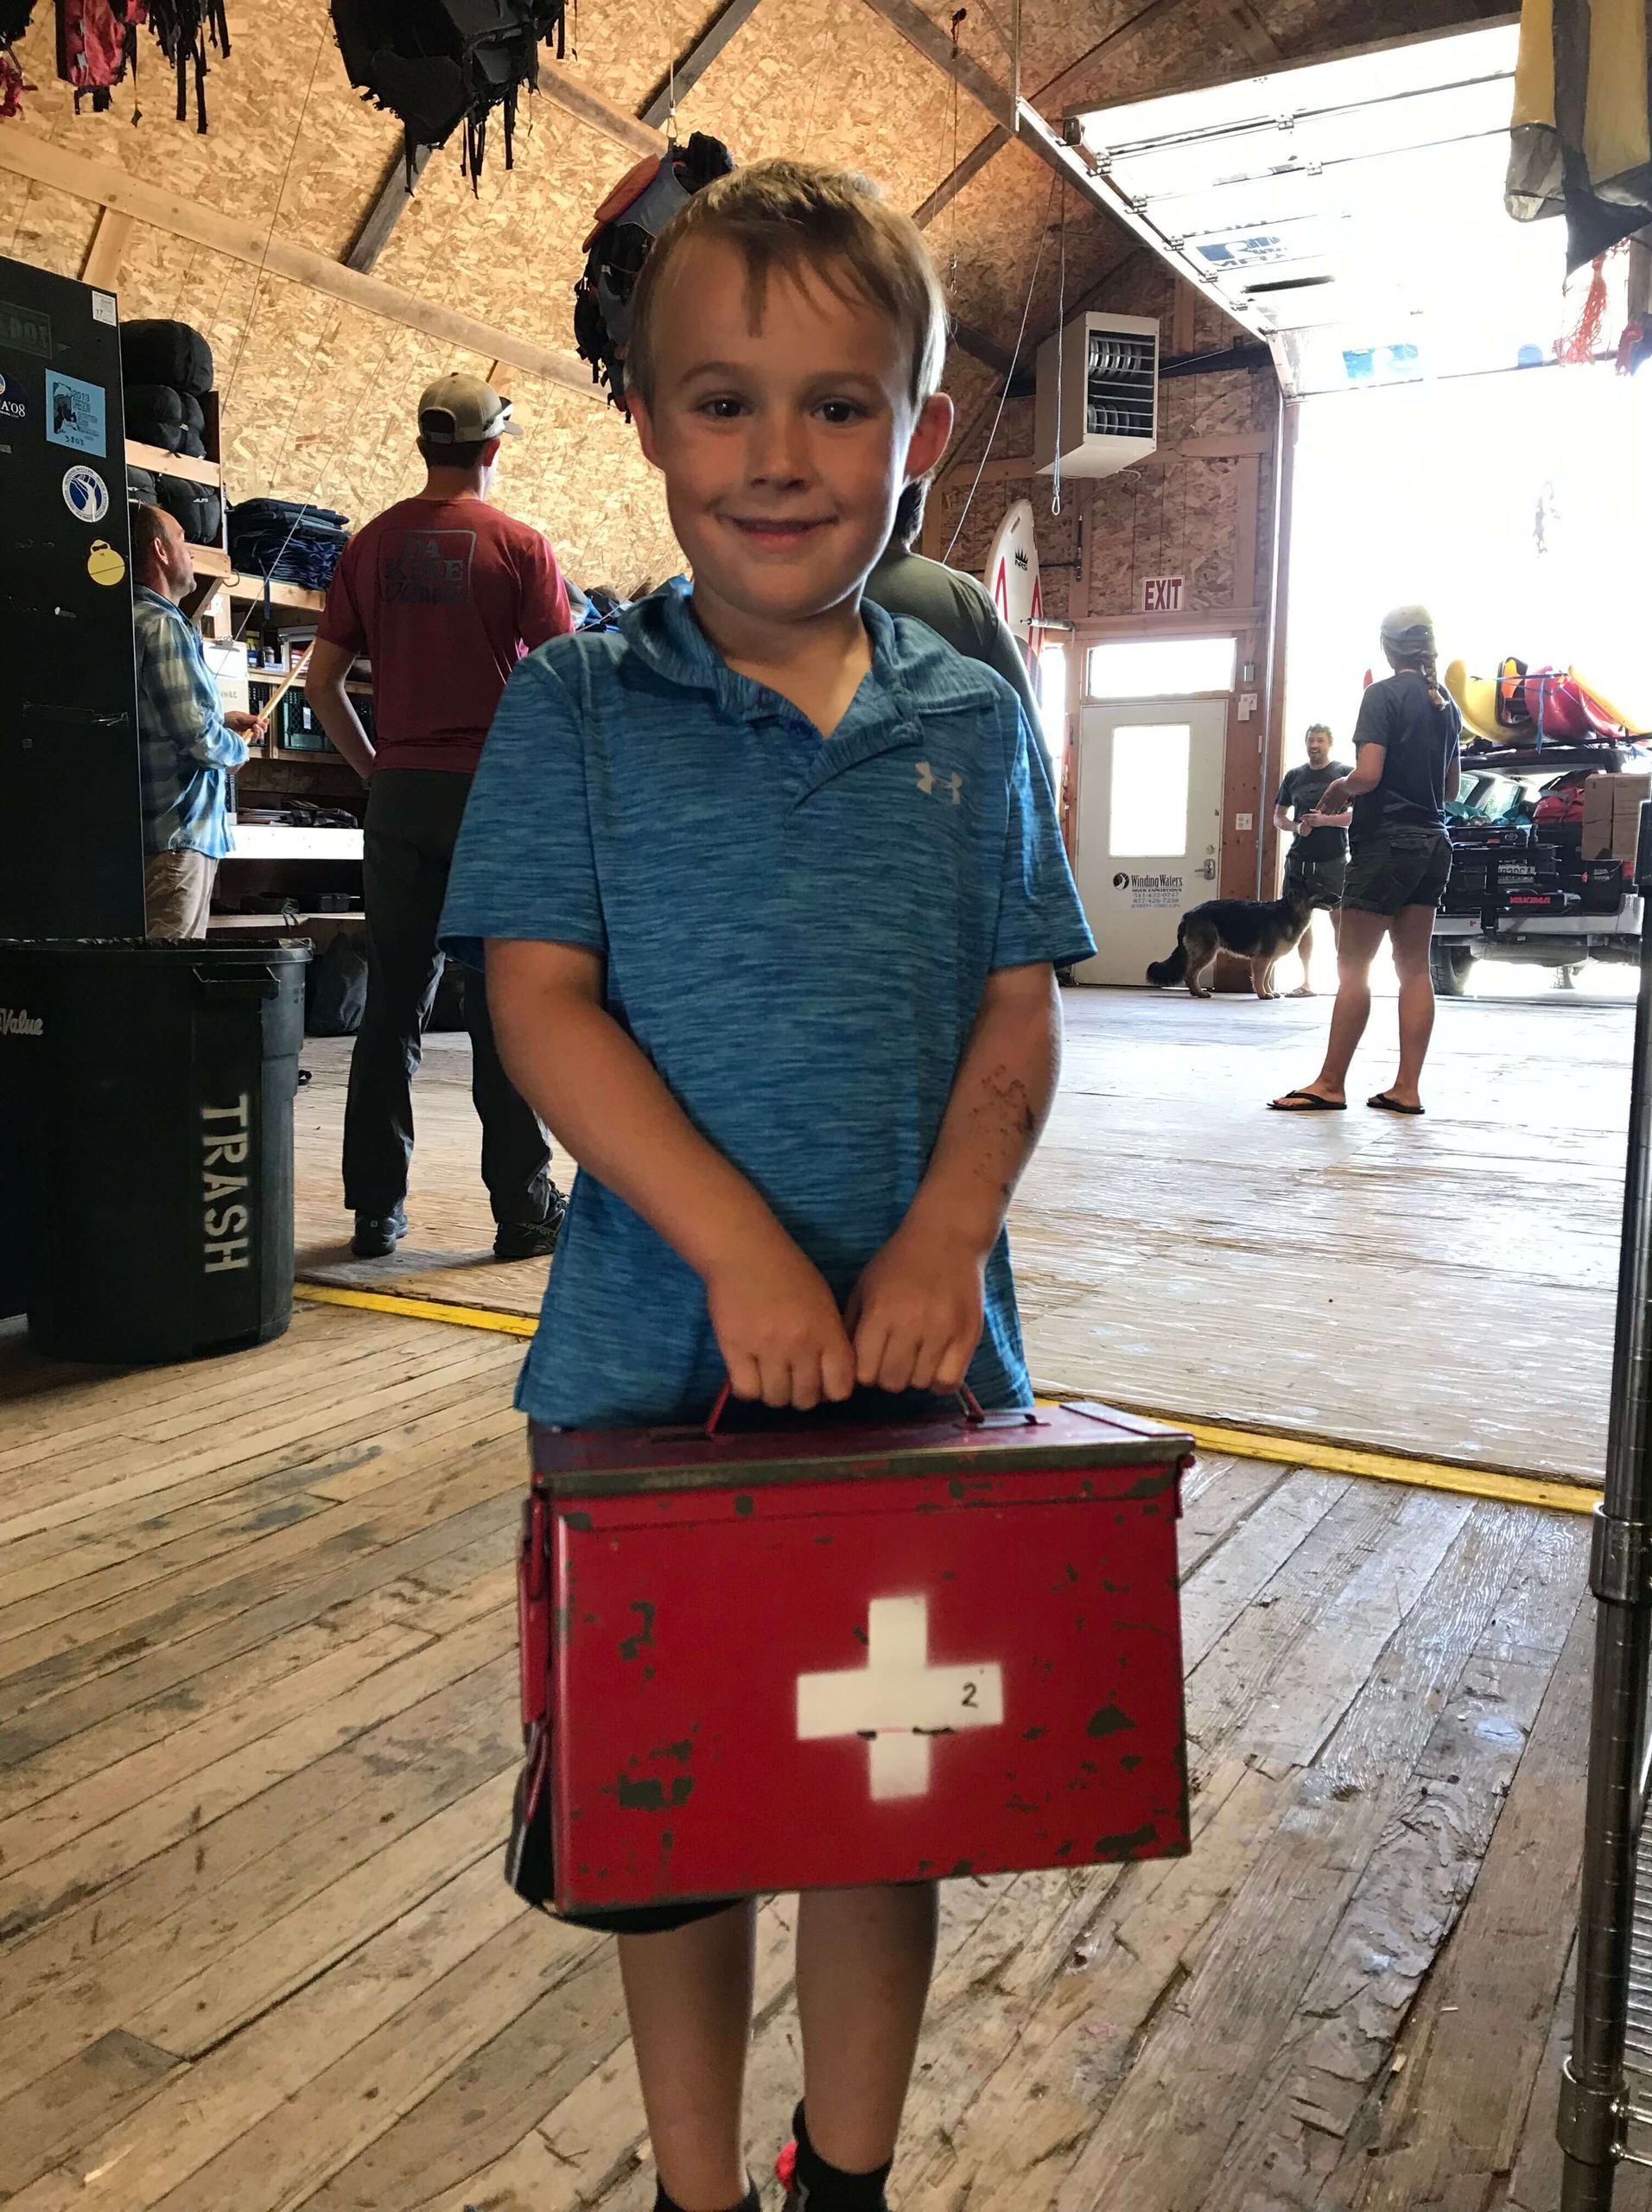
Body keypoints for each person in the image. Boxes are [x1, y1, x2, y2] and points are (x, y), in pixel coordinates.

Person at [440, 160, 1094, 2212]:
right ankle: (698, 2186)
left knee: (881, 1807)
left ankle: (849, 2176)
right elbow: (540, 1007)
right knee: (680, 1821)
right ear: (641, 414)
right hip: (644, 1371)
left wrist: (938, 1236)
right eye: (723, 399)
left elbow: (1014, 1017)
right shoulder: (570, 707)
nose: (780, 455)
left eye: (838, 403)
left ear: (914, 433)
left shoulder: (973, 720)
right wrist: (733, 1246)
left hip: (921, 1377)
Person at [305, 373, 575, 1262]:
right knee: (503, 1009)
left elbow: (321, 682)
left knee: (393, 1003)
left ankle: (375, 1210)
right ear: (493, 448)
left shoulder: (371, 547)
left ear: (425, 445)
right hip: (491, 802)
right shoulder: (520, 548)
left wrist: (378, 771)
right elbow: (566, 685)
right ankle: (522, 1208)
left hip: (401, 799)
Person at [1270, 605, 1462, 1116]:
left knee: (1353, 967)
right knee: (1414, 969)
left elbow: (1369, 773)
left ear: (1388, 647)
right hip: (1433, 844)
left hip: (1386, 846)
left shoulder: (1381, 696)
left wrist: (1338, 787)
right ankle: (1406, 1088)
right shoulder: (1445, 705)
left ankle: (1331, 1083)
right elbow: (1451, 787)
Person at [864, 480, 1057, 794]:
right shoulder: (966, 598)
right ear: (915, 516)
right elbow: (1031, 744)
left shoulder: (814, 596)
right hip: (951, 806)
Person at [131, 503, 261, 942]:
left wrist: (221, 718)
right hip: (178, 838)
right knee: (167, 987)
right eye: (183, 539)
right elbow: (200, 741)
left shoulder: (128, 619)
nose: (190, 551)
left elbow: (155, 717)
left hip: (153, 839)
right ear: (160, 551)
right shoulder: (163, 625)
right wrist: (236, 748)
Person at [1273, 721, 1351, 995]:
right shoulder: (1294, 776)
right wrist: (1297, 827)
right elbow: (1278, 817)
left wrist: (1324, 821)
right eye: (1310, 740)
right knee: (1300, 921)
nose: (1314, 745)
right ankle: (1306, 981)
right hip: (1299, 859)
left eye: (1319, 740)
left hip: (1333, 859)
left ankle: (1346, 982)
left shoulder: (1343, 774)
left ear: (1329, 743)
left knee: (1339, 919)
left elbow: (1358, 816)